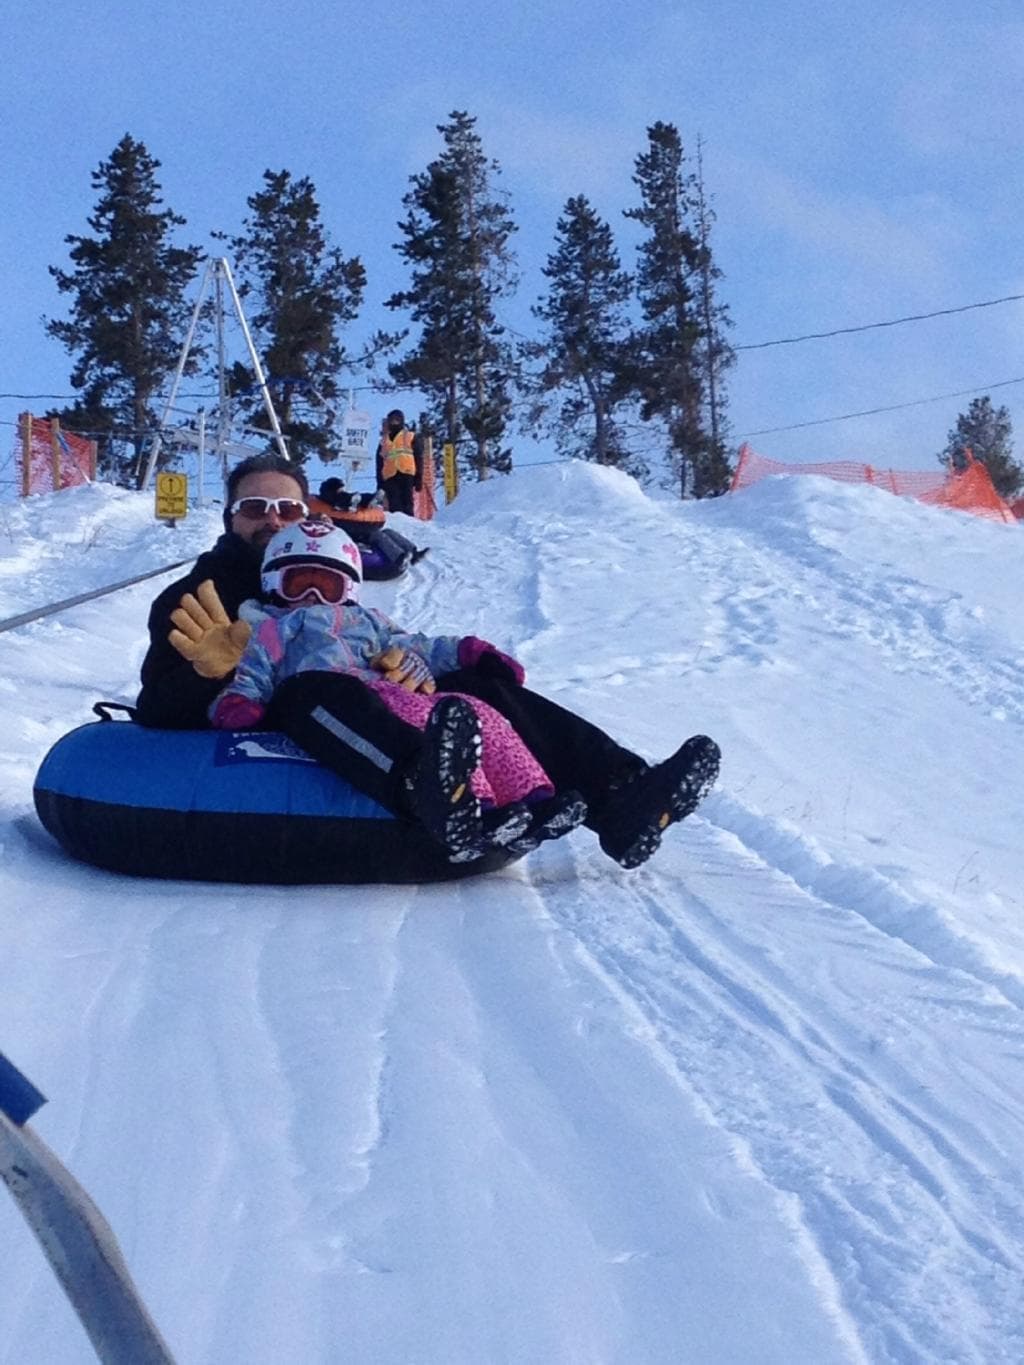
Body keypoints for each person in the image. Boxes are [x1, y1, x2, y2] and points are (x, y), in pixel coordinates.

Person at [138, 452, 721, 869]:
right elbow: (155, 708)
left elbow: (405, 644)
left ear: (306, 515)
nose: (271, 519)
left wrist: (423, 667)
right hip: (283, 714)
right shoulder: (197, 596)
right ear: (229, 517)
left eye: (286, 508)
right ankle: (428, 788)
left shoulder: (341, 591)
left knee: (472, 682)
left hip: (364, 702)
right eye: (254, 507)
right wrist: (207, 674)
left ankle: (621, 794)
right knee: (309, 689)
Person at [208, 519, 580, 861]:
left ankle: (530, 800)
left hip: (393, 693)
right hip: (330, 697)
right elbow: (255, 668)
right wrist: (241, 701)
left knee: (472, 711)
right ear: (274, 583)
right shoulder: (273, 626)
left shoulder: (370, 621)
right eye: (299, 582)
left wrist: (467, 651)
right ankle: (468, 805)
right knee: (420, 737)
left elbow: (418, 646)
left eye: (327, 586)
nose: (312, 595)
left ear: (348, 587)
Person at [375, 409, 423, 516]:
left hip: (407, 473)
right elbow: (379, 463)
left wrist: (419, 477)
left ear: (402, 421)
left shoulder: (410, 436)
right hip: (390, 475)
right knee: (394, 503)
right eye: (392, 420)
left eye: (397, 420)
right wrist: (379, 483)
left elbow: (418, 457)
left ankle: (409, 524)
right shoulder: (383, 441)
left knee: (407, 501)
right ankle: (397, 526)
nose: (394, 423)